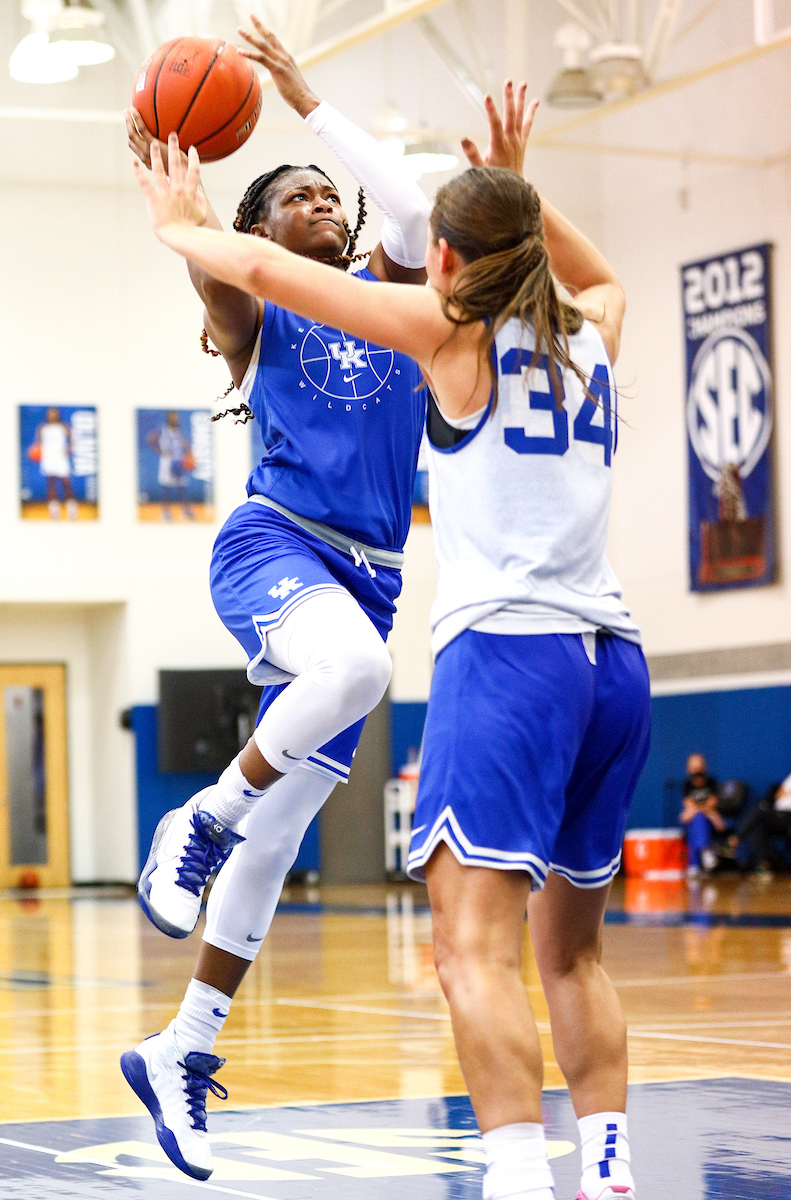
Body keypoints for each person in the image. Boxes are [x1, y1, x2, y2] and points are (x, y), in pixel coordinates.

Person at [131, 84, 649, 1200]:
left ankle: (183, 1044)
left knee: (281, 838)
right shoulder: (282, 313)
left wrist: (486, 195)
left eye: (330, 192)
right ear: (262, 227)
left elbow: (423, 233)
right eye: (294, 197)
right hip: (282, 544)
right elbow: (241, 281)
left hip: (383, 586)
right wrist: (193, 230)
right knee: (359, 689)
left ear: (446, 261)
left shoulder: (415, 304)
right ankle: (198, 814)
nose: (319, 200)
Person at [738, 748, 791, 874]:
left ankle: (736, 839)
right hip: (779, 815)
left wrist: (789, 794)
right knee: (758, 826)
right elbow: (779, 795)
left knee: (760, 811)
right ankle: (766, 865)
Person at [679, 752, 724, 876]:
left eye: (699, 767)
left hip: (709, 822)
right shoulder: (687, 785)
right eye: (694, 768)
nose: (697, 771)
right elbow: (689, 805)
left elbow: (712, 803)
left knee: (698, 821)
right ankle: (706, 851)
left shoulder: (711, 782)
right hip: (699, 818)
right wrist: (705, 811)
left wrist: (700, 811)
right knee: (697, 820)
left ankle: (694, 865)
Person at [31, 407, 77, 520]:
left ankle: (72, 510)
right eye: (50, 413)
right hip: (48, 458)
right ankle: (54, 511)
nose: (52, 415)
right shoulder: (43, 427)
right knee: (51, 484)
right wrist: (34, 451)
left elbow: (72, 441)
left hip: (60, 458)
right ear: (47, 415)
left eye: (54, 413)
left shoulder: (64, 426)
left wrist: (69, 450)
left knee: (66, 483)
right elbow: (37, 442)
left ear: (57, 414)